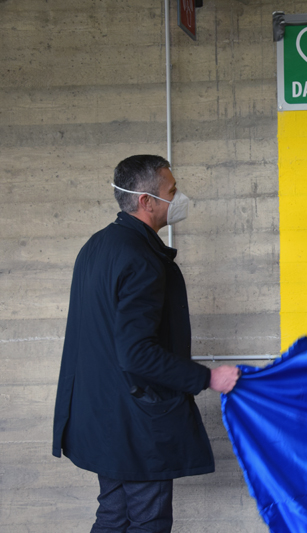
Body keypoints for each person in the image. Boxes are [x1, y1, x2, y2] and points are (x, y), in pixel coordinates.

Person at [52, 155, 241, 532]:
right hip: (136, 419)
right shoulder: (141, 258)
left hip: (102, 416)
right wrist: (207, 378)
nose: (179, 197)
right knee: (147, 520)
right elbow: (137, 352)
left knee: (113, 514)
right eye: (172, 191)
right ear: (146, 201)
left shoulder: (96, 247)